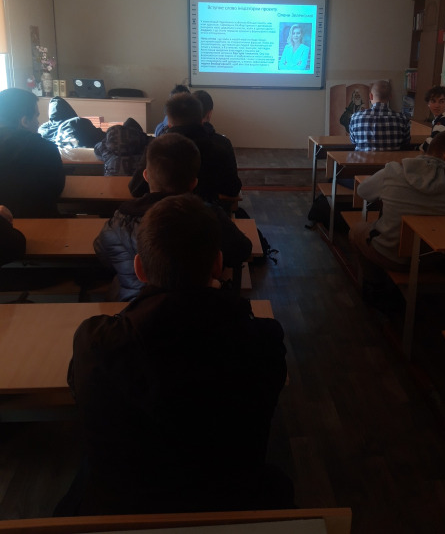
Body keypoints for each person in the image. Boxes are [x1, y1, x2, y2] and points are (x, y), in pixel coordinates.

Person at [62, 194, 291, 515]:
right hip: (230, 504)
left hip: (122, 509)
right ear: (217, 264)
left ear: (139, 268)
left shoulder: (95, 343)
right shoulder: (264, 340)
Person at [94, 133, 252, 302]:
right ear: (194, 183)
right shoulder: (209, 216)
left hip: (136, 306)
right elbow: (242, 250)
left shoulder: (119, 221)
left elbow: (105, 256)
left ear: (145, 176)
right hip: (197, 308)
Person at [349, 130, 445, 302]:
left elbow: (363, 192)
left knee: (356, 231)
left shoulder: (394, 170)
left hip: (390, 254)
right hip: (430, 257)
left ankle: (374, 284)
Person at [129, 93, 242, 202]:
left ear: (169, 122)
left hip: (160, 213)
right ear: (201, 120)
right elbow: (233, 190)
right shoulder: (218, 148)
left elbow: (136, 189)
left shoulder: (156, 148)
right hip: (203, 213)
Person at [0, 88, 65, 217]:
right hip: (42, 221)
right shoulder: (45, 148)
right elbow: (57, 189)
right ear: (24, 121)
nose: (38, 122)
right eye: (36, 116)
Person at [349, 80, 411, 151]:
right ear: (390, 97)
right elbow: (406, 143)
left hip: (363, 158)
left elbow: (353, 141)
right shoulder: (402, 118)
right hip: (392, 158)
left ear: (370, 96)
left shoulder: (355, 117)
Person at [38, 96, 104, 148]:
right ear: (68, 110)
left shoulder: (43, 131)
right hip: (87, 159)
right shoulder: (78, 122)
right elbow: (102, 138)